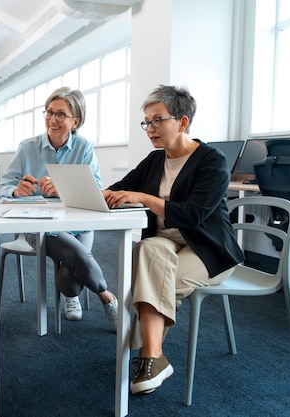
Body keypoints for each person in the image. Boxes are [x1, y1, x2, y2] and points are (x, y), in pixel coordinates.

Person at [102, 85, 244, 395]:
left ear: (182, 122)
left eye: (157, 120)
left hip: (207, 249)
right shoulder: (154, 161)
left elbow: (193, 215)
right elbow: (119, 188)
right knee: (149, 249)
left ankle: (144, 351)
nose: (149, 129)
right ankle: (154, 358)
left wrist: (143, 198)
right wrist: (86, 192)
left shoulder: (212, 160)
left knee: (150, 279)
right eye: (146, 122)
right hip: (165, 243)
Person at [0, 86, 118, 330]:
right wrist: (15, 190)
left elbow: (96, 189)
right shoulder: (27, 147)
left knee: (69, 280)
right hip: (38, 227)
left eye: (60, 114)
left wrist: (65, 188)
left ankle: (71, 295)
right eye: (49, 112)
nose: (52, 119)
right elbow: (5, 185)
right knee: (77, 255)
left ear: (76, 121)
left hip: (78, 224)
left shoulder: (84, 147)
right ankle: (107, 296)